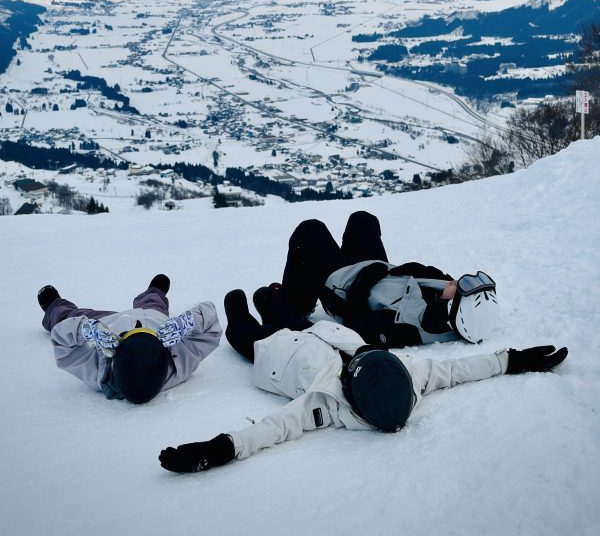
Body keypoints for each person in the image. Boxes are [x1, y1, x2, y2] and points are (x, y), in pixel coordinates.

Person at [158, 287, 568, 473]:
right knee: (284, 308)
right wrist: (512, 359)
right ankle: (271, 301)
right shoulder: (410, 376)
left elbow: (273, 428)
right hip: (323, 332)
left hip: (274, 353)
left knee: (241, 324)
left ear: (351, 394)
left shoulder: (323, 404)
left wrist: (219, 449)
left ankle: (248, 310)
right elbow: (459, 370)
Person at [277, 210, 499, 347]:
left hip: (340, 285)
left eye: (464, 286)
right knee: (363, 219)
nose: (460, 281)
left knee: (310, 230)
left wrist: (366, 278)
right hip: (375, 270)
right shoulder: (446, 297)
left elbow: (357, 325)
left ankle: (297, 303)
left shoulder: (408, 328)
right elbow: (417, 270)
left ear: (455, 306)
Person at [37, 274, 222, 404]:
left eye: (129, 334)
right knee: (153, 303)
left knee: (69, 316)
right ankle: (154, 291)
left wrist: (84, 329)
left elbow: (62, 341)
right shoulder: (179, 364)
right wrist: (188, 321)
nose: (136, 327)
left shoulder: (97, 370)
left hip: (106, 324)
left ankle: (54, 305)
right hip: (154, 317)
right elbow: (211, 325)